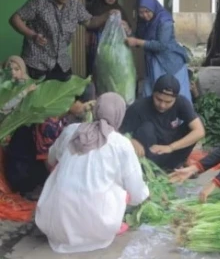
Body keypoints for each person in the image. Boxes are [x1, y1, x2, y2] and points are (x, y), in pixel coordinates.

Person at [35, 93, 149, 254]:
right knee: (121, 190)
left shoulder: (71, 131)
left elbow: (52, 158)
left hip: (57, 229)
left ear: (96, 110)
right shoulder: (121, 143)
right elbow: (137, 192)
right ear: (120, 115)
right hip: (99, 232)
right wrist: (139, 196)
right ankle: (105, 222)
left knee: (64, 177)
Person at [9, 0, 115, 82]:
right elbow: (15, 19)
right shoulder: (38, 2)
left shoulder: (75, 5)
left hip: (62, 64)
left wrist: (106, 16)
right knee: (40, 98)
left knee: (65, 97)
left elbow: (90, 22)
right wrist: (33, 35)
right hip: (37, 63)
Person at [5, 85, 96, 198]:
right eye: (86, 104)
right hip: (23, 174)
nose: (87, 110)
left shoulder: (61, 114)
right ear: (74, 101)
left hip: (34, 163)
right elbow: (47, 161)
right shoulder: (49, 122)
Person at [120, 74, 205, 172]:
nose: (162, 105)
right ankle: (151, 170)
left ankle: (176, 164)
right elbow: (118, 134)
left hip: (171, 151)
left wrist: (170, 147)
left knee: (197, 123)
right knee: (147, 128)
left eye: (168, 102)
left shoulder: (181, 103)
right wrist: (132, 142)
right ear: (153, 93)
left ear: (175, 98)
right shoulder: (138, 108)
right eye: (158, 99)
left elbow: (199, 131)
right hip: (150, 156)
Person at [125, 0, 191, 101]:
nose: (145, 15)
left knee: (176, 97)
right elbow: (138, 38)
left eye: (147, 11)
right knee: (153, 97)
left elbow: (161, 45)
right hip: (153, 64)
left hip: (170, 64)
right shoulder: (143, 22)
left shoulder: (165, 20)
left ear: (153, 8)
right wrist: (128, 30)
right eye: (141, 12)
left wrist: (137, 42)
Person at [86, 0, 129, 77]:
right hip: (98, 44)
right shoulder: (95, 8)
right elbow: (89, 24)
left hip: (115, 46)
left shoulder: (119, 9)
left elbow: (128, 29)